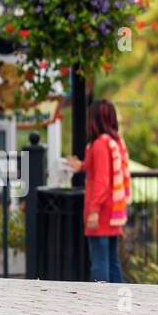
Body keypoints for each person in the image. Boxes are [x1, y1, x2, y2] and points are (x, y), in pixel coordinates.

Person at [67, 99, 130, 283]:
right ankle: (117, 301)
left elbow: (102, 180)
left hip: (101, 212)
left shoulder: (100, 144)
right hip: (113, 211)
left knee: (100, 262)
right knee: (111, 261)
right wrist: (83, 165)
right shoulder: (113, 141)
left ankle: (101, 303)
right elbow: (105, 170)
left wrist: (94, 210)